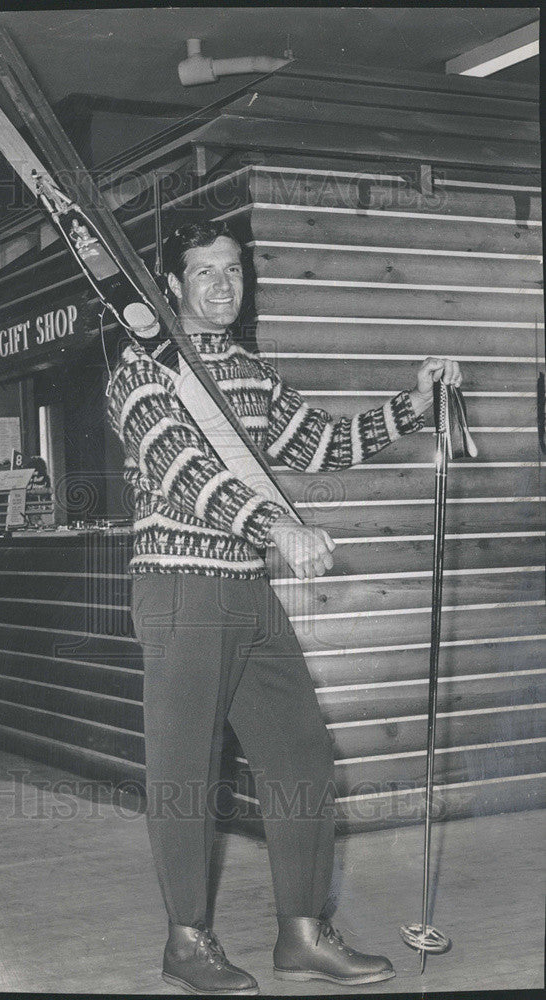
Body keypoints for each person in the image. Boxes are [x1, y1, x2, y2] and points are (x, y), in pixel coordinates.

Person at [107, 220, 462, 995]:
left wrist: (413, 404)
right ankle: (186, 941)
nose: (222, 286)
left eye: (232, 270)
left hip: (246, 588)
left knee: (300, 752)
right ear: (172, 285)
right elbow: (182, 469)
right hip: (179, 587)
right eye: (204, 272)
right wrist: (276, 525)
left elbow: (324, 444)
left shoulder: (249, 372)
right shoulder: (142, 371)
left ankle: (302, 932)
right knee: (184, 773)